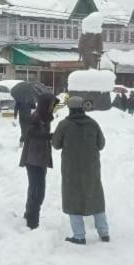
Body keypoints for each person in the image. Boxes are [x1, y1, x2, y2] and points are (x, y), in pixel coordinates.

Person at [53, 96, 108, 244]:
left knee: (73, 200)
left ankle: (79, 235)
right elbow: (101, 144)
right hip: (91, 168)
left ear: (70, 109)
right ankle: (104, 233)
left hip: (71, 169)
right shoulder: (93, 124)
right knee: (96, 197)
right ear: (83, 108)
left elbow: (56, 144)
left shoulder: (64, 125)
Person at [20, 93, 56, 230]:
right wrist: (49, 136)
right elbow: (31, 133)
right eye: (51, 105)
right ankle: (32, 221)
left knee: (36, 190)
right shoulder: (36, 117)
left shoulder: (44, 117)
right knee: (37, 191)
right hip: (33, 159)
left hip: (39, 159)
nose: (52, 108)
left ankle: (30, 216)